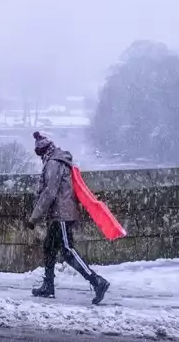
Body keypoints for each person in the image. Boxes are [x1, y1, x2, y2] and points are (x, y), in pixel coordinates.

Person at [26, 131, 110, 305]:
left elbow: (49, 192)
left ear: (44, 150)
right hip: (59, 214)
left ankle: (97, 282)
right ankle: (48, 286)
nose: (40, 156)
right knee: (49, 248)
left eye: (40, 152)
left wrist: (34, 218)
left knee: (68, 251)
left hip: (62, 214)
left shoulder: (53, 163)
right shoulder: (57, 160)